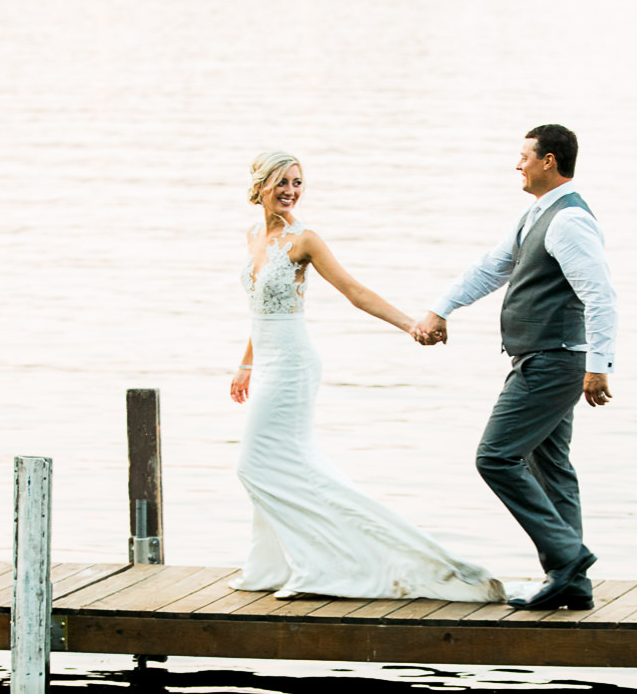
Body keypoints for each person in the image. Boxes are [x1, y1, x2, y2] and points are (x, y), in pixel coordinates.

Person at [230, 149, 504, 603]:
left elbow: (355, 292)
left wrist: (411, 324)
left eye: (297, 183)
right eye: (283, 182)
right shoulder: (253, 235)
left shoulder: (305, 240)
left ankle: (320, 567)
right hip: (267, 363)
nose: (291, 192)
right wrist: (245, 363)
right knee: (280, 463)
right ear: (260, 184)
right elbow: (262, 308)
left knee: (255, 465)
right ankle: (271, 566)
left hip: (294, 366)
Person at [411, 124, 616, 612]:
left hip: (556, 360)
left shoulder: (569, 222)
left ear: (549, 161)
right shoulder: (536, 214)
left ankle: (568, 558)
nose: (517, 164)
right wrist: (441, 307)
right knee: (552, 468)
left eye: (524, 156)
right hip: (543, 357)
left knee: (496, 456)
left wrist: (600, 365)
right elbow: (491, 267)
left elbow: (600, 295)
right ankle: (571, 583)